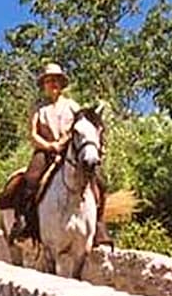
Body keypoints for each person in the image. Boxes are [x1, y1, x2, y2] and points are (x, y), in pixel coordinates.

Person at [10, 63, 112, 247]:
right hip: (44, 151)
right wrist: (49, 145)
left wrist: (62, 143)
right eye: (49, 81)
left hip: (69, 149)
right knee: (30, 178)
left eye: (56, 80)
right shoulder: (38, 108)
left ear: (61, 83)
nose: (53, 84)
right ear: (44, 85)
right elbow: (32, 134)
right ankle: (23, 221)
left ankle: (98, 226)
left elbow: (80, 128)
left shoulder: (72, 106)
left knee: (100, 182)